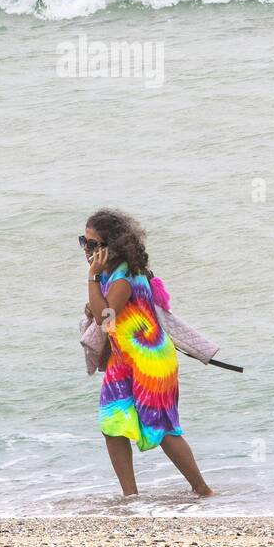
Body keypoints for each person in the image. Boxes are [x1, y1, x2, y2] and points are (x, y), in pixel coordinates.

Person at [81, 208, 214, 499]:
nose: (87, 250)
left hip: (150, 361)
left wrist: (91, 279)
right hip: (123, 359)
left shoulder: (124, 278)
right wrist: (94, 290)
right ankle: (130, 497)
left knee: (162, 427)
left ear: (112, 247)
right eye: (84, 242)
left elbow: (105, 318)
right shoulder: (108, 275)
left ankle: (203, 490)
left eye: (94, 245)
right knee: (112, 424)